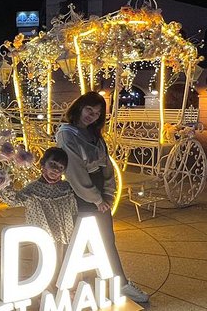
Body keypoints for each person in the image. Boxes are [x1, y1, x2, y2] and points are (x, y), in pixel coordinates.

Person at [55, 91, 150, 303]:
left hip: (99, 193)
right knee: (78, 242)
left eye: (97, 113)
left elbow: (106, 165)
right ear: (79, 107)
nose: (92, 116)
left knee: (106, 239)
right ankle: (72, 286)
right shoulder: (67, 134)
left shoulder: (94, 134)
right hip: (80, 194)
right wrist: (96, 198)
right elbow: (75, 171)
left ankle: (120, 283)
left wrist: (108, 193)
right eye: (89, 110)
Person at [0, 147, 77, 290]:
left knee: (66, 266)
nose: (56, 170)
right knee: (44, 268)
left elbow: (74, 209)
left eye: (61, 167)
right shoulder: (33, 189)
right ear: (43, 164)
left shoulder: (67, 188)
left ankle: (65, 294)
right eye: (53, 165)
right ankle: (46, 297)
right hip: (44, 238)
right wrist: (3, 184)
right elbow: (14, 200)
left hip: (65, 236)